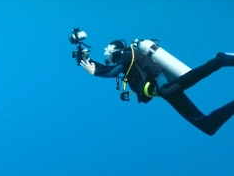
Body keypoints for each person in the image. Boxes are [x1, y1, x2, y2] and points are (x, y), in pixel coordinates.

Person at [70, 30, 234, 135]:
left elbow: (112, 72)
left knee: (168, 90)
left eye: (109, 50)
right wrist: (86, 59)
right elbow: (107, 69)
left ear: (116, 50)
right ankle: (220, 62)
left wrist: (95, 72)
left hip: (162, 83)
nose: (108, 54)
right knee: (207, 126)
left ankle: (220, 60)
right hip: (162, 90)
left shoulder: (128, 55)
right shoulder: (125, 63)